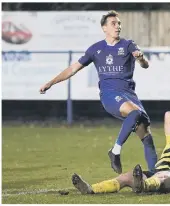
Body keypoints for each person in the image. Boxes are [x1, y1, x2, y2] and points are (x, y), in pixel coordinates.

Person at [39, 10, 157, 175]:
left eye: (119, 23)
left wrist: (141, 58)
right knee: (135, 113)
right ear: (104, 28)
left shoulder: (128, 45)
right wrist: (51, 82)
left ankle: (157, 176)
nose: (118, 26)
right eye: (113, 23)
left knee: (147, 137)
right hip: (110, 94)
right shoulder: (96, 49)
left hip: (130, 94)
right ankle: (115, 151)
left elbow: (145, 65)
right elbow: (73, 69)